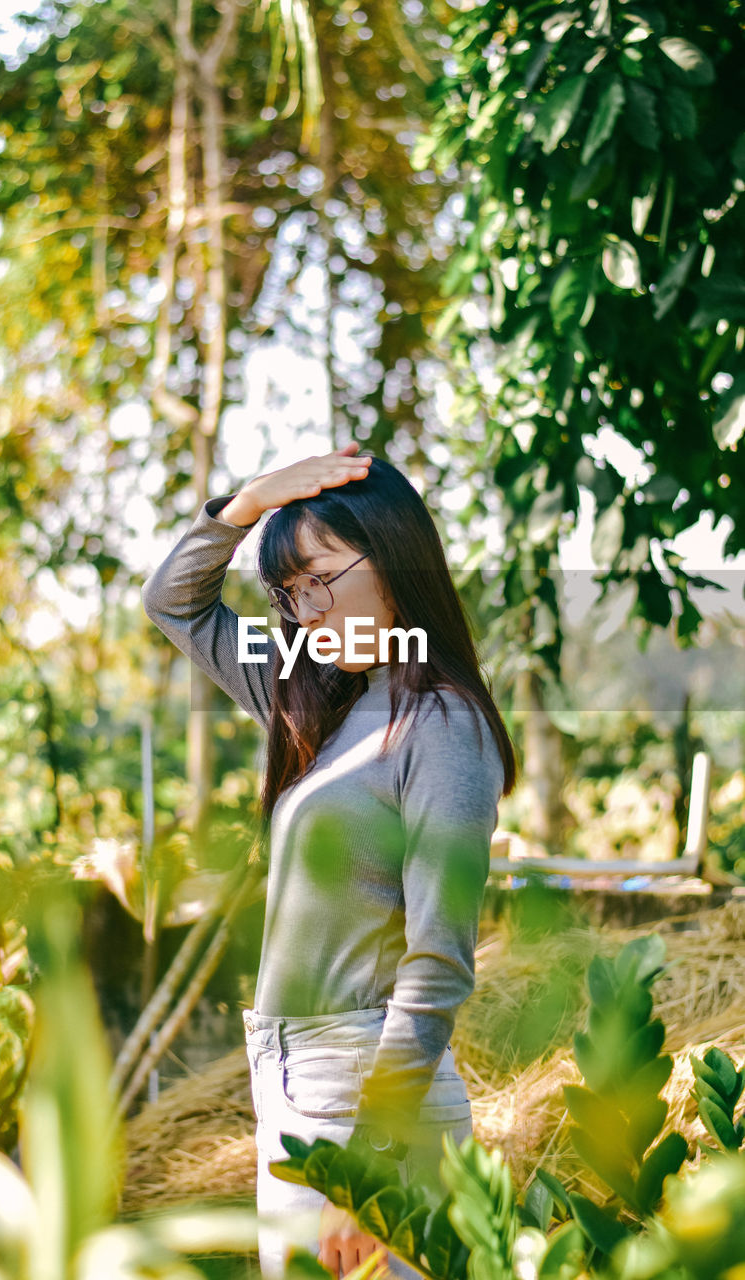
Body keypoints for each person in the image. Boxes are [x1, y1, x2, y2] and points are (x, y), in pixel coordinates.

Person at [142, 444, 517, 1279]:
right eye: (287, 593)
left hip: (367, 1096)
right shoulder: (308, 697)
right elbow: (172, 602)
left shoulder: (440, 727)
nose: (304, 611)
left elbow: (438, 960)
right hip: (298, 1082)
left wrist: (372, 1166)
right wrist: (245, 506)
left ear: (393, 558)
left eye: (321, 579)